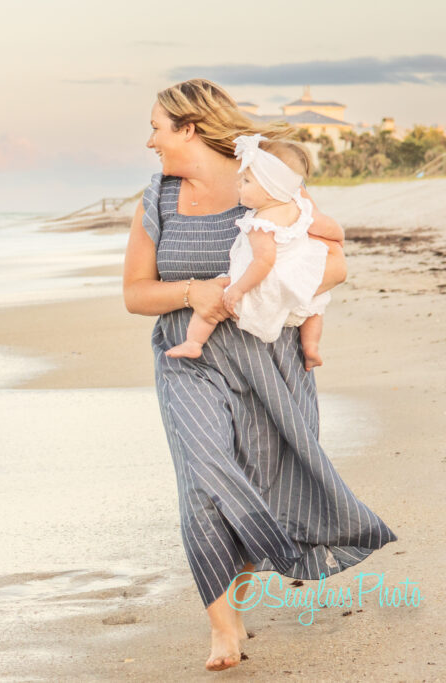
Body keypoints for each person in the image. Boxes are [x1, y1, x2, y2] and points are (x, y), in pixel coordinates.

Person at [123, 79, 397, 672]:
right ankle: (222, 630)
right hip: (187, 357)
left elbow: (335, 263)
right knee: (203, 481)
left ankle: (239, 600)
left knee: (262, 484)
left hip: (270, 359)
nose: (149, 140)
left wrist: (262, 292)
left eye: (156, 127)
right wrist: (196, 292)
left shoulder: (269, 181)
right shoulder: (156, 201)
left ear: (188, 128)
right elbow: (135, 295)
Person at [165, 134, 338, 371]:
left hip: (263, 285)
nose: (238, 184)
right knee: (314, 308)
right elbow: (333, 229)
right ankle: (311, 348)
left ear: (269, 189)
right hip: (298, 280)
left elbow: (263, 262)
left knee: (215, 298)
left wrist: (238, 289)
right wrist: (336, 242)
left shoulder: (262, 223)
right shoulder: (300, 206)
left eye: (246, 181)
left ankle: (194, 342)